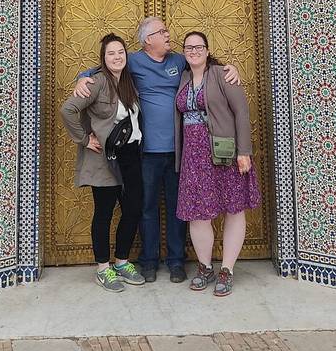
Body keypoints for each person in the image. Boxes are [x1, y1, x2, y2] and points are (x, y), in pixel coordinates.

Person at [73, 16, 240, 284]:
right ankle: (148, 261)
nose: (168, 34)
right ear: (148, 40)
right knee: (146, 207)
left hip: (180, 151)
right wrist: (82, 77)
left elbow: (203, 63)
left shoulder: (177, 60)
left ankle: (176, 262)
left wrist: (228, 68)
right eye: (162, 31)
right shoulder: (134, 60)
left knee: (178, 207)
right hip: (146, 152)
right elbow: (105, 66)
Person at [174, 30, 261, 297]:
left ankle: (227, 269)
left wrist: (244, 151)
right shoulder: (184, 77)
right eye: (189, 47)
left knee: (233, 208)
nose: (194, 51)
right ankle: (204, 266)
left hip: (224, 153)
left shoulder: (223, 74)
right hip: (193, 157)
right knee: (198, 212)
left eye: (199, 47)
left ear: (208, 50)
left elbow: (241, 112)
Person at [61, 33, 146, 292]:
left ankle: (121, 261)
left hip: (130, 155)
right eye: (111, 53)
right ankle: (103, 268)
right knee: (104, 212)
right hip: (104, 158)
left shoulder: (129, 82)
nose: (117, 57)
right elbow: (68, 110)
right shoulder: (96, 82)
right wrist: (84, 139)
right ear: (103, 58)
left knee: (133, 209)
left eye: (120, 52)